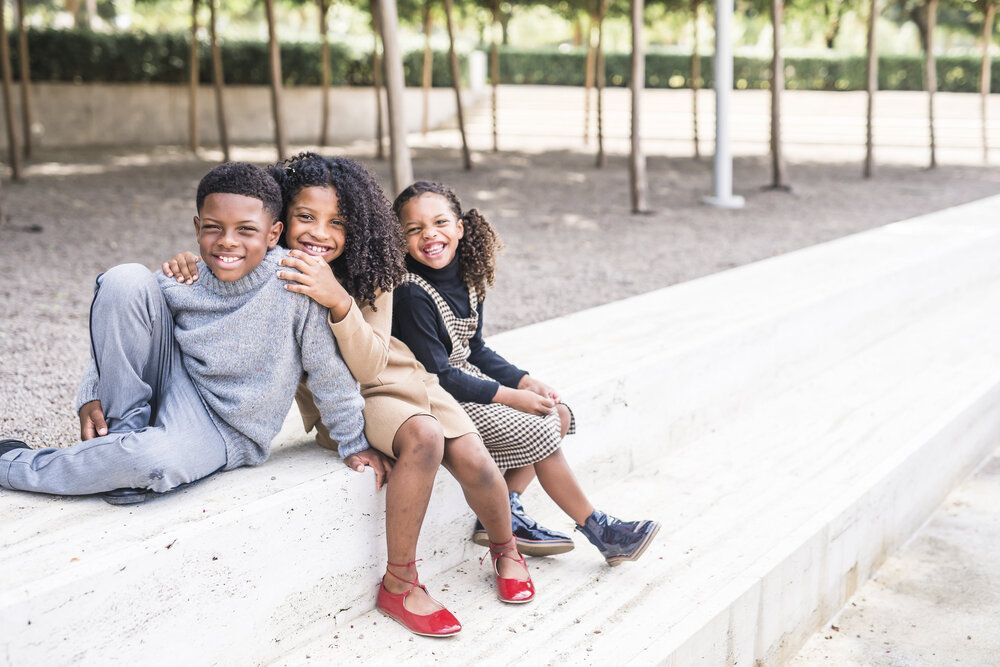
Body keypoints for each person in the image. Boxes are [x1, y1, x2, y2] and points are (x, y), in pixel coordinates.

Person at [160, 153, 534, 638]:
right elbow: (219, 269)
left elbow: (375, 361)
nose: (320, 232)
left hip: (401, 377)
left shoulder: (371, 273)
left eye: (337, 222)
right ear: (278, 223)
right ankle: (400, 583)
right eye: (305, 217)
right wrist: (185, 264)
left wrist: (338, 297)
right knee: (424, 438)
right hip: (353, 399)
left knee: (477, 465)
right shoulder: (268, 269)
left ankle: (506, 548)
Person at [0, 162, 383, 508]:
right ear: (198, 228)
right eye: (214, 227)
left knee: (150, 463)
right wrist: (92, 392)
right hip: (172, 381)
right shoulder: (186, 276)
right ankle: (122, 434)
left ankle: (13, 462)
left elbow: (329, 374)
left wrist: (354, 443)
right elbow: (118, 331)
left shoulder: (295, 284)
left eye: (246, 230)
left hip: (224, 428)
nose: (228, 241)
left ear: (273, 233)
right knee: (123, 280)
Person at [391, 180, 661, 566]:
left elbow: (477, 348)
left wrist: (523, 380)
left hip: (466, 381)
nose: (429, 235)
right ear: (401, 240)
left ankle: (508, 509)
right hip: (436, 397)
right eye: (414, 229)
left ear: (460, 227)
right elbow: (440, 375)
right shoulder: (412, 293)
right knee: (539, 426)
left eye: (439, 223)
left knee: (559, 412)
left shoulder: (467, 276)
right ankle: (601, 529)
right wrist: (511, 397)